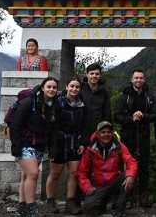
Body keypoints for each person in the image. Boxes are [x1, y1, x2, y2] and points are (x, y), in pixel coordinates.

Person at [10, 77, 59, 217]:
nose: (51, 90)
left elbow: (54, 130)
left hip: (39, 145)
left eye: (54, 87)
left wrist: (52, 147)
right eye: (49, 86)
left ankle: (21, 208)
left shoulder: (53, 106)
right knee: (33, 173)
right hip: (24, 144)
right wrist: (16, 147)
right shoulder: (29, 103)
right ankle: (31, 208)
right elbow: (15, 125)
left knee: (26, 176)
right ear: (42, 88)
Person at [114, 69, 156, 208]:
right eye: (136, 78)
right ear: (131, 80)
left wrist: (143, 115)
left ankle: (143, 196)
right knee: (124, 166)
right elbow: (117, 116)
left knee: (143, 166)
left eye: (141, 78)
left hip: (143, 136)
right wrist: (131, 118)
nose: (138, 80)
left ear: (144, 80)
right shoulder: (124, 97)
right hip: (127, 136)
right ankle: (124, 196)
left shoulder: (149, 97)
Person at [45, 77, 89, 215]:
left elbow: (84, 126)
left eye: (77, 87)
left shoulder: (82, 105)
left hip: (75, 141)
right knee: (55, 173)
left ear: (80, 89)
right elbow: (52, 125)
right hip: (59, 142)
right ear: (66, 86)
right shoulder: (57, 102)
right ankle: (50, 201)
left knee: (74, 173)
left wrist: (83, 142)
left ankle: (70, 202)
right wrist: (51, 146)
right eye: (72, 86)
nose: (74, 89)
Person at [77, 121, 137, 217]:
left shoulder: (119, 146)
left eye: (109, 132)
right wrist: (86, 186)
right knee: (89, 209)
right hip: (98, 185)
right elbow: (82, 171)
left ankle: (120, 208)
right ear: (97, 134)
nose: (106, 134)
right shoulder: (90, 149)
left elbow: (132, 162)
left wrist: (130, 175)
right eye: (103, 132)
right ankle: (103, 202)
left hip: (115, 183)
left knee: (128, 176)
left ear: (112, 133)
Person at [80, 63, 112, 135]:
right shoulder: (80, 89)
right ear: (86, 74)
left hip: (98, 132)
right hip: (80, 131)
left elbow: (107, 114)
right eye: (91, 73)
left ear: (100, 75)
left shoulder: (104, 92)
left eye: (97, 74)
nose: (94, 76)